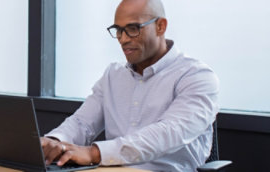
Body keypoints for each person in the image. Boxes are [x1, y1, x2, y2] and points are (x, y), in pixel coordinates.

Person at [41, 0, 219, 171]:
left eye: (133, 29)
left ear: (160, 26)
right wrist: (53, 142)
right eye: (118, 30)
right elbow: (82, 122)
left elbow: (168, 133)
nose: (123, 39)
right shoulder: (113, 75)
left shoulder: (197, 76)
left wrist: (94, 153)